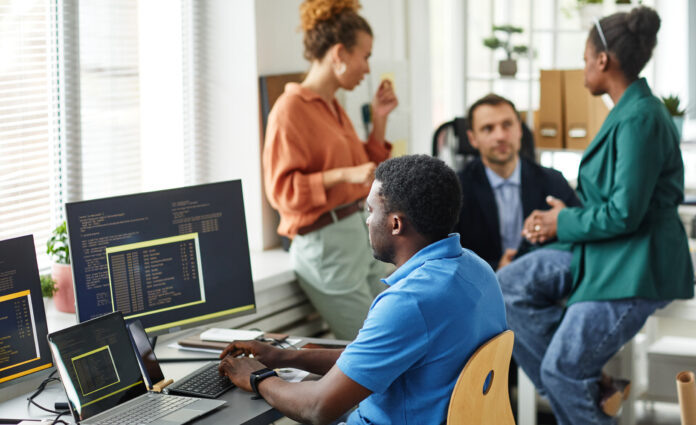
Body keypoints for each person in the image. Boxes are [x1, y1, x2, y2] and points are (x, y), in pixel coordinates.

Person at [497, 7, 694, 425]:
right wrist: (564, 218)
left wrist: (561, 223)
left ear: (602, 60)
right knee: (505, 287)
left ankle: (573, 379)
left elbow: (625, 213)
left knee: (560, 370)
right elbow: (618, 202)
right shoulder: (628, 111)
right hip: (607, 248)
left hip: (635, 262)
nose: (583, 66)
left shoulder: (640, 117)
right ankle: (587, 382)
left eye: (585, 57)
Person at [218, 155, 508, 424]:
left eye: (370, 210)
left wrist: (259, 377)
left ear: (395, 224)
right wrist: (283, 357)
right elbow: (370, 359)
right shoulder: (477, 270)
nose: (366, 221)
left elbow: (317, 407)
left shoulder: (409, 301)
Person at [263, 0, 398, 340]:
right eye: (364, 56)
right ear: (339, 53)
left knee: (397, 335)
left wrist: (379, 118)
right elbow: (282, 193)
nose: (367, 68)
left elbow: (361, 170)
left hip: (357, 234)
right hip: (326, 244)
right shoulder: (289, 110)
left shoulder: (333, 105)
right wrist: (343, 176)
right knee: (371, 348)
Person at [454, 94, 580, 270]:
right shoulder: (456, 190)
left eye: (507, 125)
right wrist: (496, 267)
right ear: (472, 138)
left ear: (520, 129)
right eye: (488, 129)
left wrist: (566, 219)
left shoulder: (553, 181)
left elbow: (580, 239)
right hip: (481, 286)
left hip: (543, 283)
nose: (500, 136)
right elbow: (447, 255)